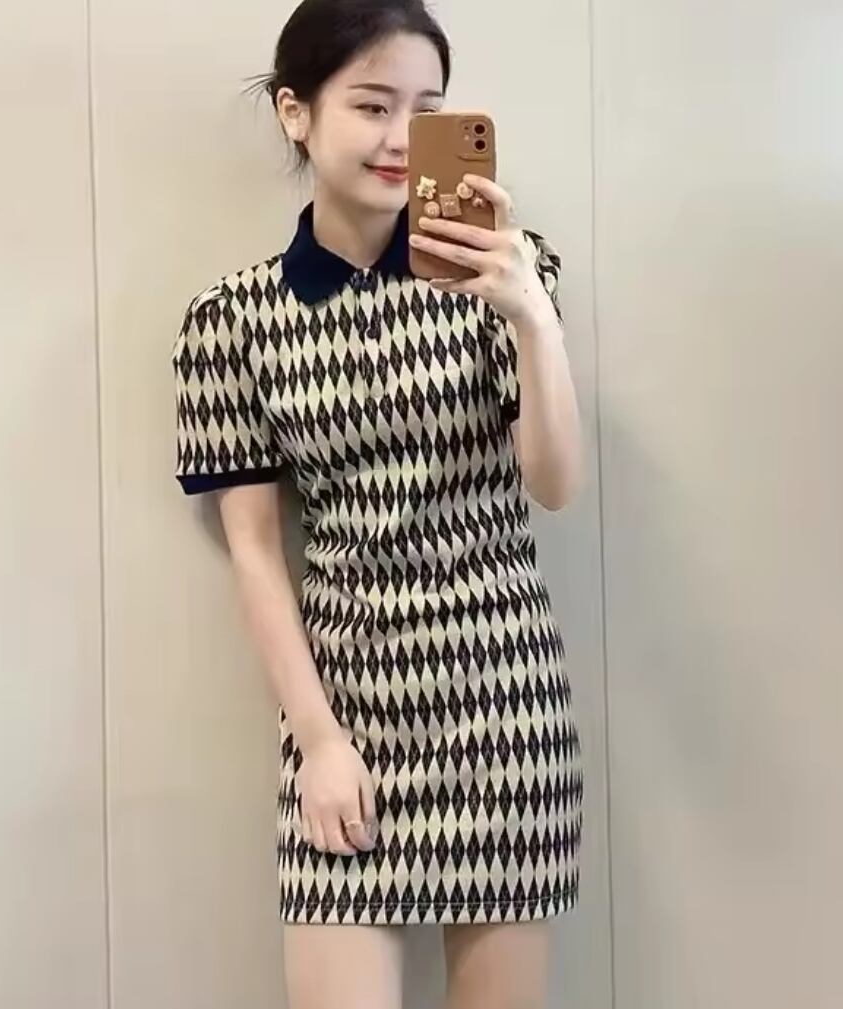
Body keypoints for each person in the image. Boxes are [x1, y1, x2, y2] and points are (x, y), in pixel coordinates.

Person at [171, 2, 584, 1006]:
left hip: (503, 704)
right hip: (343, 709)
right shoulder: (230, 322)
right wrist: (317, 740)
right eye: (371, 105)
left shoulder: (505, 275)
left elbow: (555, 484)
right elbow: (255, 553)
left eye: (426, 109)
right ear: (296, 113)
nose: (403, 136)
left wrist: (531, 317)